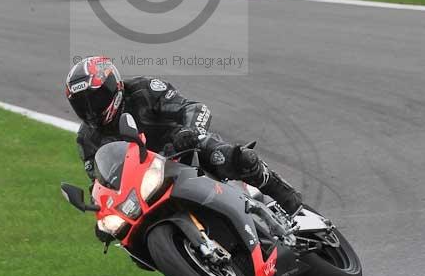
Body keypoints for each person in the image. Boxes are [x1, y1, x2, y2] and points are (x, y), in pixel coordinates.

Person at [65, 57, 303, 232]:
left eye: (94, 100)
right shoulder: (87, 139)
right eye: (81, 105)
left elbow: (194, 108)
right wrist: (103, 209)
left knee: (231, 157)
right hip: (146, 184)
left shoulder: (143, 90)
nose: (90, 110)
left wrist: (190, 130)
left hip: (185, 151)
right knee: (126, 235)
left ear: (112, 86)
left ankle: (281, 193)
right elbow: (100, 180)